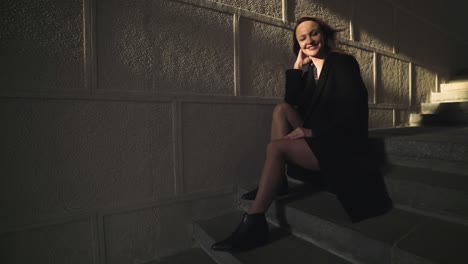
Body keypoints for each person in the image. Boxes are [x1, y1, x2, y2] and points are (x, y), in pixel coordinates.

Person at [211, 16, 392, 252]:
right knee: (281, 109)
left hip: (340, 144)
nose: (309, 40)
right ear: (299, 45)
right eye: (302, 38)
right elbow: (292, 101)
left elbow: (354, 112)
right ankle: (280, 180)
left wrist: (312, 130)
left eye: (314, 34)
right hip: (320, 138)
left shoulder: (342, 63)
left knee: (275, 147)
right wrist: (297, 68)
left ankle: (254, 223)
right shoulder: (311, 73)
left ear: (325, 36)